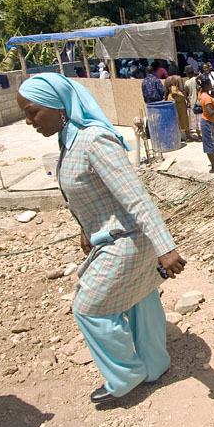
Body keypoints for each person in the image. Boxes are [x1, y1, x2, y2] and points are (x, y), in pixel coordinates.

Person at [15, 73, 186, 403]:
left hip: (129, 240)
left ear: (58, 106)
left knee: (89, 307)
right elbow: (94, 190)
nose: (28, 121)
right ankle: (154, 364)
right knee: (140, 300)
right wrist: (85, 228)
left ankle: (125, 375)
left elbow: (135, 197)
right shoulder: (69, 139)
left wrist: (165, 247)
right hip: (114, 237)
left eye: (32, 112)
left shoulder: (94, 140)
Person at [199, 75, 214, 172]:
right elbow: (210, 113)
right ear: (206, 85)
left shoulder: (204, 94)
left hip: (212, 122)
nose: (211, 84)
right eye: (209, 83)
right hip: (209, 123)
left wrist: (212, 92)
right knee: (210, 144)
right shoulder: (206, 98)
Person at [164, 71, 192, 142]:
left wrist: (165, 101)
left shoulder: (167, 80)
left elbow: (166, 92)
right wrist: (187, 100)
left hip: (170, 99)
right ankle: (188, 136)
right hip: (179, 99)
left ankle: (177, 137)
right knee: (183, 117)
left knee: (174, 118)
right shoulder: (178, 78)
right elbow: (182, 89)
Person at [184, 66, 202, 141]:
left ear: (187, 74)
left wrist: (188, 101)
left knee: (196, 122)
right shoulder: (197, 79)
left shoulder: (187, 83)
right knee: (201, 120)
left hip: (193, 103)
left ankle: (199, 136)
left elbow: (186, 93)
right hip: (200, 101)